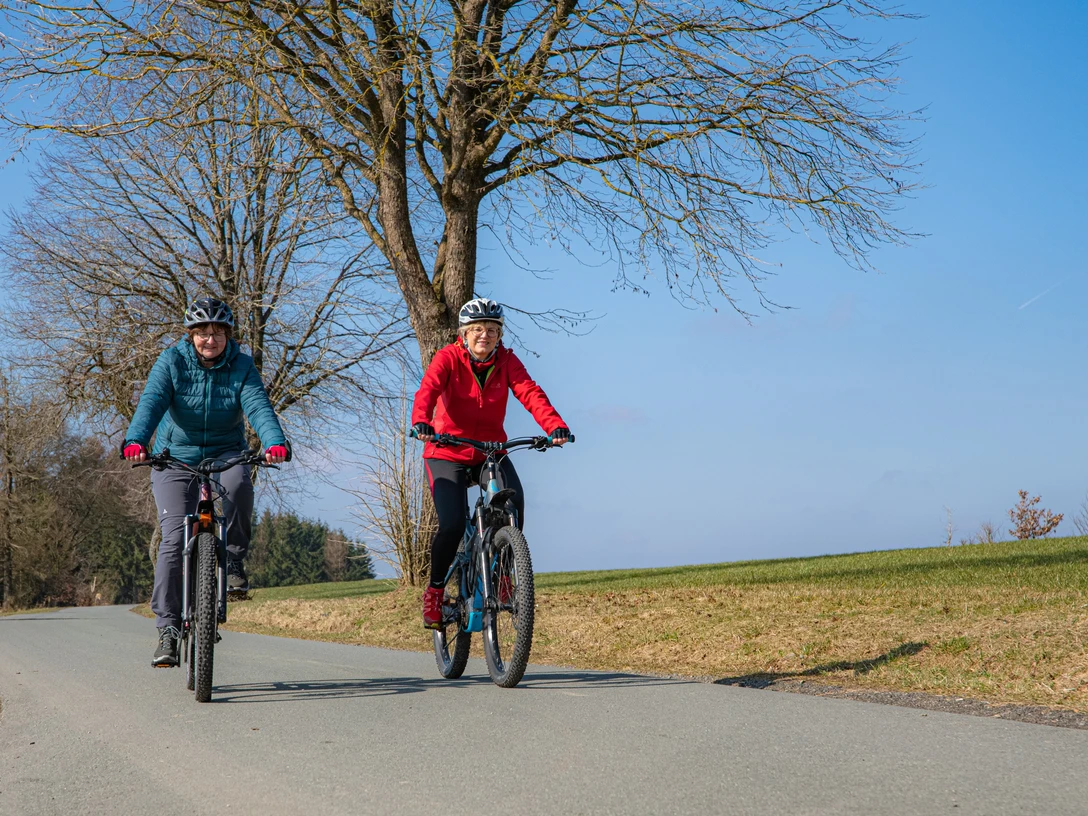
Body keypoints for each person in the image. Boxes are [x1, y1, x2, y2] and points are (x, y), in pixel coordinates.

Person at [122, 297, 290, 667]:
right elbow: (151, 402)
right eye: (202, 333)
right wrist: (136, 441)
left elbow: (258, 406)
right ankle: (168, 628)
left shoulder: (242, 365)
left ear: (228, 335)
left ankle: (233, 561)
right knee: (172, 540)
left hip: (226, 452)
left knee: (240, 486)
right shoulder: (172, 361)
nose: (210, 340)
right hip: (174, 457)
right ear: (191, 335)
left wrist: (274, 442)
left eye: (217, 333)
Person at [411, 297, 571, 629]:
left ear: (500, 335)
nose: (485, 335)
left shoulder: (507, 361)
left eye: (492, 329)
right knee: (452, 525)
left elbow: (530, 392)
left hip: (490, 451)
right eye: (478, 329)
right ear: (464, 334)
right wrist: (422, 421)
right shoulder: (447, 358)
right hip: (446, 451)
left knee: (514, 504)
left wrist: (554, 426)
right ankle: (435, 592)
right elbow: (428, 389)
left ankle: (504, 576)